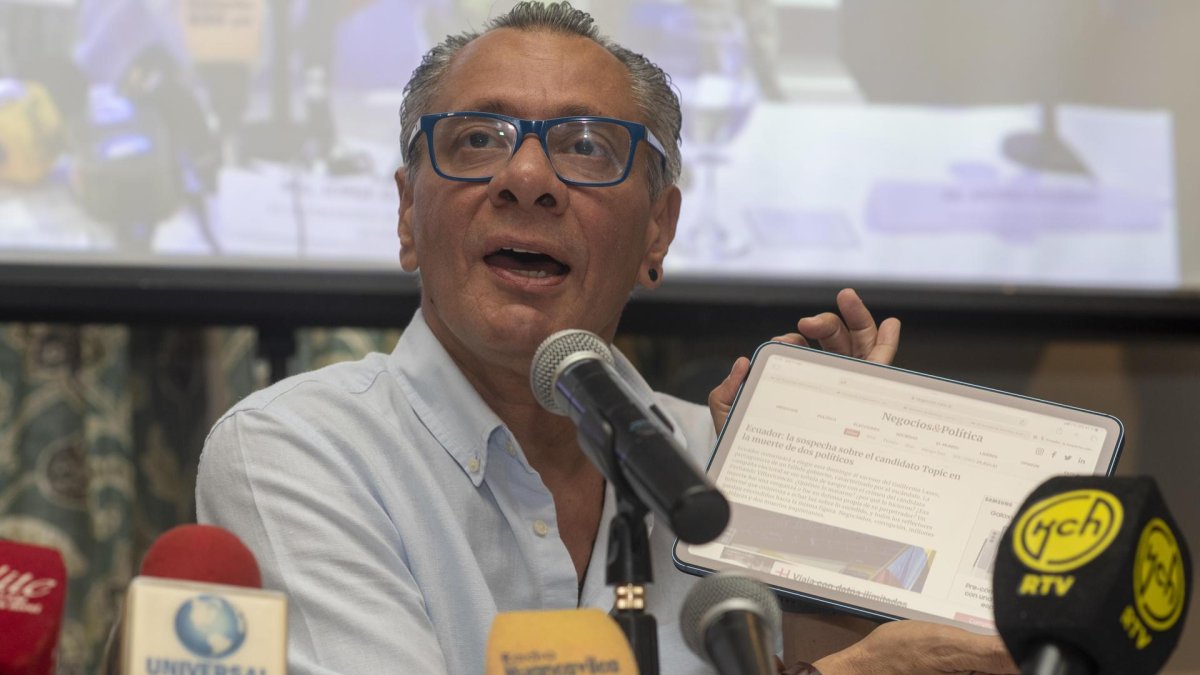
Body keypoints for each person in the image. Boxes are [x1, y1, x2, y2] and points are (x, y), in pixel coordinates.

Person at [196, 3, 1017, 673]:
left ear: (658, 230)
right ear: (408, 214)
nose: (527, 179)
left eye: (585, 147)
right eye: (478, 139)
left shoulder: (718, 463)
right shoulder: (294, 452)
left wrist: (831, 510)